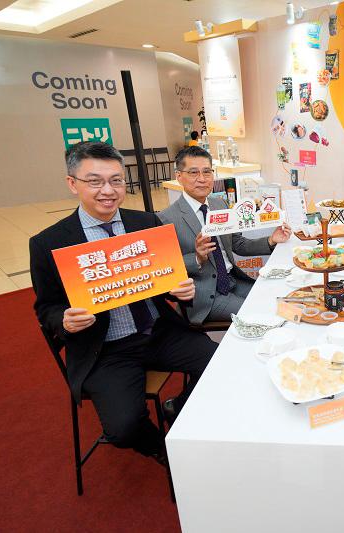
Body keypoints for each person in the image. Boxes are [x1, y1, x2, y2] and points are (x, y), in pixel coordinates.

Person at [30, 141, 217, 465]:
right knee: (123, 428)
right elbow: (46, 306)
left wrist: (178, 289)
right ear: (72, 184)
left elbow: (164, 279)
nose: (108, 190)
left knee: (219, 363)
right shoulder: (49, 242)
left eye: (116, 180)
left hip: (157, 331)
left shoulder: (145, 223)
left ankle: (178, 408)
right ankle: (166, 449)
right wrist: (63, 319)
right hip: (105, 349)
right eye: (95, 181)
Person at [158, 146, 292, 324]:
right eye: (193, 172)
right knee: (261, 314)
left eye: (207, 172)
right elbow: (166, 270)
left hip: (234, 280)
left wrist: (271, 240)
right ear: (179, 176)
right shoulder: (165, 218)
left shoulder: (219, 203)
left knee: (279, 299)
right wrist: (197, 258)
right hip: (207, 295)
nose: (201, 179)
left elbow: (237, 244)